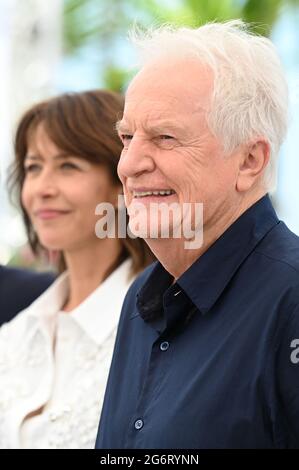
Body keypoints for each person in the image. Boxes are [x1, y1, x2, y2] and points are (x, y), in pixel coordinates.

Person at [96, 20, 299, 449]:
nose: (128, 165)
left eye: (165, 138)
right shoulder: (140, 300)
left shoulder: (291, 299)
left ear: (249, 161)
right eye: (127, 137)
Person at [0, 89, 154, 449]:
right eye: (33, 167)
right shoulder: (17, 331)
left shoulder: (155, 326)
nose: (42, 188)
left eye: (68, 165)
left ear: (122, 182)